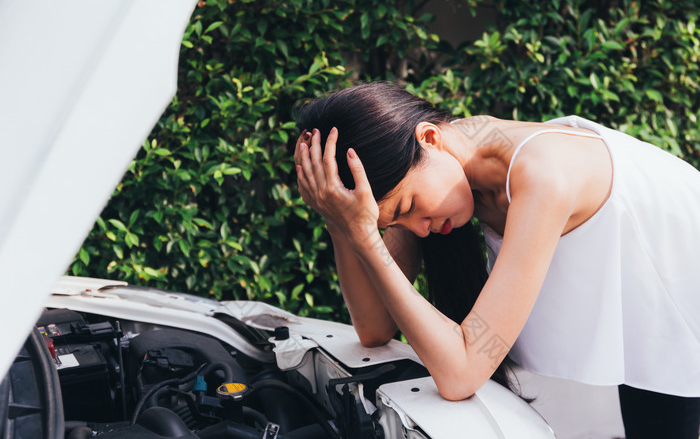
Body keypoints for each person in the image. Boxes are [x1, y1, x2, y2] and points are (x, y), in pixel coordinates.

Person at [292, 82, 700, 438]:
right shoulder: (438, 169)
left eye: (409, 206)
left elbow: (461, 372)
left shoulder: (543, 176)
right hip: (651, 321)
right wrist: (341, 221)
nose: (416, 229)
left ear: (429, 138)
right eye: (394, 221)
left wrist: (365, 235)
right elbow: (374, 327)